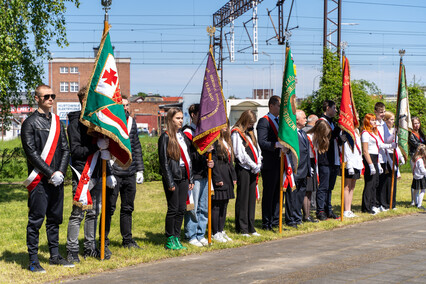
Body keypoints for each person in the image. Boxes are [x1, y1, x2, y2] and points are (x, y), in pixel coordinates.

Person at [21, 85, 73, 272]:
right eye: (46, 96)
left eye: (53, 96)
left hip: (57, 180)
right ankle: (33, 260)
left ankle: (55, 256)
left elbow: (66, 149)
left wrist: (60, 172)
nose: (50, 99)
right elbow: (31, 154)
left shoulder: (58, 122)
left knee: (55, 219)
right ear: (37, 98)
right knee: (36, 220)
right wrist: (51, 173)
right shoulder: (29, 123)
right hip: (39, 181)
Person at [66, 87, 116, 262]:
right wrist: (97, 146)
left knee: (93, 212)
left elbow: (104, 151)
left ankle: (89, 247)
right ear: (83, 101)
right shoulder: (75, 124)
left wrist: (108, 171)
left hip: (97, 171)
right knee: (78, 214)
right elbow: (76, 151)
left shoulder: (97, 122)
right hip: (82, 173)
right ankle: (72, 249)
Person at [103, 95, 145, 256]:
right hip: (114, 172)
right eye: (122, 105)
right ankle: (104, 241)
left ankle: (127, 240)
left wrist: (139, 169)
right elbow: (105, 149)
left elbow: (136, 146)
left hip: (130, 172)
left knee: (128, 208)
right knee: (109, 209)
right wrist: (108, 172)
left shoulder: (131, 122)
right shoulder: (110, 122)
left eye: (127, 105)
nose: (125, 108)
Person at [158, 108, 194, 250]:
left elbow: (188, 158)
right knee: (173, 208)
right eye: (178, 118)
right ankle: (170, 238)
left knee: (181, 208)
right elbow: (164, 162)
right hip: (172, 176)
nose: (181, 121)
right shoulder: (165, 137)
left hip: (184, 175)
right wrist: (170, 181)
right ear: (170, 120)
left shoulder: (182, 136)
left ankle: (177, 237)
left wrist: (190, 178)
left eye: (181, 118)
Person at [182, 104, 214, 247]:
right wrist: (203, 151)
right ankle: (191, 234)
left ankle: (201, 233)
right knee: (193, 208)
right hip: (194, 174)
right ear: (193, 115)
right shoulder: (187, 133)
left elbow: (212, 152)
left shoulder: (205, 132)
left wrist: (211, 160)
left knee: (204, 207)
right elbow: (190, 155)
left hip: (205, 173)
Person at [231, 110, 262, 237]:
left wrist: (259, 161)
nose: (251, 126)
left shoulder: (249, 133)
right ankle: (242, 227)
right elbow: (240, 153)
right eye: (250, 123)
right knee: (243, 198)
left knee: (251, 199)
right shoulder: (236, 133)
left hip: (253, 169)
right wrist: (253, 165)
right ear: (245, 120)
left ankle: (251, 226)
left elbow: (257, 149)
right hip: (244, 168)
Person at [361, 114, 396, 215]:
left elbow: (379, 145)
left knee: (375, 183)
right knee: (369, 183)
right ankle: (366, 207)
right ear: (367, 121)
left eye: (375, 120)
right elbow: (365, 150)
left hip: (376, 158)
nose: (374, 122)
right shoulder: (365, 133)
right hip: (369, 158)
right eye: (372, 120)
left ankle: (372, 204)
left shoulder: (373, 132)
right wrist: (371, 164)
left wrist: (390, 145)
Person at [256, 96, 282, 231]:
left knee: (278, 193)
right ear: (271, 106)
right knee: (269, 194)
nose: (280, 108)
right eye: (278, 105)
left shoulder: (280, 122)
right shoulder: (264, 122)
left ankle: (276, 221)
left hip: (279, 162)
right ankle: (266, 222)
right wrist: (276, 145)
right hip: (269, 163)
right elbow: (262, 142)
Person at [285, 110, 312, 228]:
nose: (306, 120)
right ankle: (290, 219)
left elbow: (306, 152)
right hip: (295, 170)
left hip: (304, 169)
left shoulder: (303, 133)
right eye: (304, 118)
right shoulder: (292, 134)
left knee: (300, 195)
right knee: (292, 196)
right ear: (296, 120)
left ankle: (297, 216)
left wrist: (308, 169)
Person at [211, 122, 237, 242]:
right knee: (216, 205)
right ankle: (214, 232)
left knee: (224, 205)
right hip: (219, 175)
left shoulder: (226, 140)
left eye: (226, 124)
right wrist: (217, 178)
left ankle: (221, 230)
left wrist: (233, 176)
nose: (225, 127)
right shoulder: (215, 141)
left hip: (227, 176)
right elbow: (214, 160)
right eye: (222, 124)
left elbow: (230, 161)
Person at [317, 100, 341, 220]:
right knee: (324, 186)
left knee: (330, 187)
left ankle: (328, 209)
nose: (336, 111)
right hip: (325, 159)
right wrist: (336, 132)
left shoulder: (332, 123)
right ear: (327, 108)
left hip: (333, 158)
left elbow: (335, 140)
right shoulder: (321, 122)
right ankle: (321, 210)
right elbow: (325, 139)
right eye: (334, 108)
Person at [306, 120, 331, 221]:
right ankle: (320, 210)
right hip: (313, 163)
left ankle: (323, 209)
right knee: (320, 188)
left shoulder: (320, 139)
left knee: (324, 187)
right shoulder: (310, 137)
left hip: (320, 163)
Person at [382, 111, 405, 209]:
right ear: (386, 120)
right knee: (387, 180)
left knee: (393, 180)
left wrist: (401, 156)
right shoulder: (384, 130)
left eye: (393, 119)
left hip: (393, 155)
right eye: (391, 119)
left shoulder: (393, 130)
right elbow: (386, 142)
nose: (392, 121)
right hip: (386, 155)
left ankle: (392, 202)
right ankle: (385, 203)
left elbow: (396, 146)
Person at [341, 121, 363, 218]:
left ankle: (349, 209)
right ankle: (346, 210)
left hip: (356, 161)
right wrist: (349, 164)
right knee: (347, 186)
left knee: (352, 186)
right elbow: (346, 148)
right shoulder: (346, 131)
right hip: (349, 162)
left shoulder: (357, 130)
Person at [374, 102, 392, 212]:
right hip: (376, 156)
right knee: (375, 182)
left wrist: (394, 135)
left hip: (383, 155)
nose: (383, 114)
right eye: (381, 112)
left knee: (382, 181)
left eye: (384, 112)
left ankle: (381, 203)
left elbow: (387, 139)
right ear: (375, 112)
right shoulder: (374, 123)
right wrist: (389, 144)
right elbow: (378, 142)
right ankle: (374, 203)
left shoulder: (384, 124)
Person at [409, 117, 426, 205]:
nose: (417, 125)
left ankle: (418, 200)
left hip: (422, 157)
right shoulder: (411, 134)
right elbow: (416, 144)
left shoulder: (421, 133)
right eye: (415, 123)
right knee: (416, 178)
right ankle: (413, 200)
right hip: (415, 158)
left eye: (418, 123)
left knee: (421, 178)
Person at [303, 114, 318, 211]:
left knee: (311, 187)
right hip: (307, 161)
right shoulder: (306, 132)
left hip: (312, 160)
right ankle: (309, 207)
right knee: (308, 188)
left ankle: (309, 208)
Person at [410, 144, 426, 210]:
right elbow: (422, 170)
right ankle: (419, 205)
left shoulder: (414, 158)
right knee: (423, 191)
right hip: (420, 177)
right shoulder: (420, 160)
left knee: (416, 191)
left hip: (415, 177)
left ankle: (416, 202)